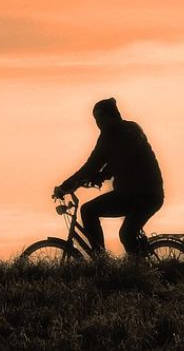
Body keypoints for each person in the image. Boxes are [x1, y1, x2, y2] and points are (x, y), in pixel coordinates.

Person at [53, 98, 164, 256]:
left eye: (100, 118)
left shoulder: (129, 132)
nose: (98, 123)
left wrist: (95, 177)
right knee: (88, 210)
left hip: (147, 196)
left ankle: (138, 270)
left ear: (112, 116)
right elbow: (93, 164)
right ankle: (101, 260)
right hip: (127, 194)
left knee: (126, 234)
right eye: (96, 119)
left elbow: (121, 160)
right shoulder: (107, 136)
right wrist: (72, 184)